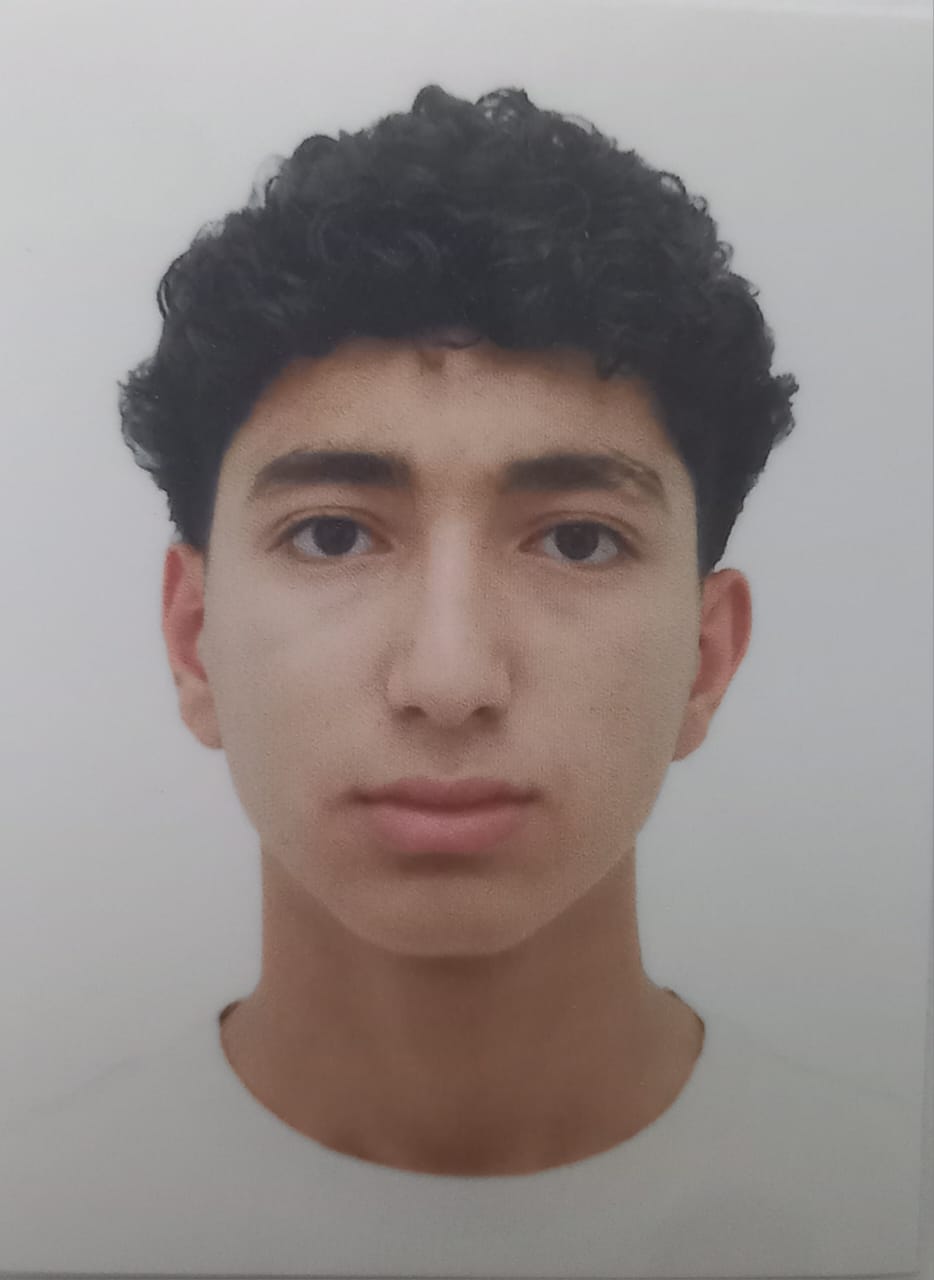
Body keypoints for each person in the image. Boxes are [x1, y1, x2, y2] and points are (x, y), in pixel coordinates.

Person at [0, 85, 920, 1277]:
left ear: (706, 656)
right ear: (193, 639)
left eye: (577, 539)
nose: (448, 678)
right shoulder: (39, 1220)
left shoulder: (893, 1216)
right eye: (333, 534)